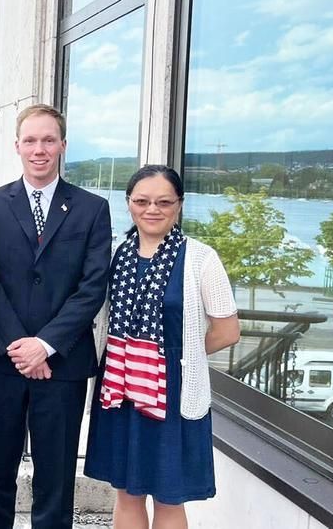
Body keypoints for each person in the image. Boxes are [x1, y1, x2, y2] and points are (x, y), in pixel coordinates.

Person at [0, 103, 111, 529]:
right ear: (17, 146)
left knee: (56, 477)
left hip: (63, 364)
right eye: (31, 140)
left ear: (63, 146)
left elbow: (93, 287)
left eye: (48, 140)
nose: (39, 149)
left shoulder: (92, 208)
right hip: (2, 360)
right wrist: (20, 346)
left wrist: (45, 345)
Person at [84, 165, 240, 528]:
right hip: (120, 389)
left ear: (179, 205)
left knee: (169, 497)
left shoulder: (201, 258)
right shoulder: (115, 254)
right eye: (142, 201)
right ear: (129, 204)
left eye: (163, 201)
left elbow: (228, 330)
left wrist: (181, 359)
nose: (152, 209)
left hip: (172, 393)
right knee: (126, 492)